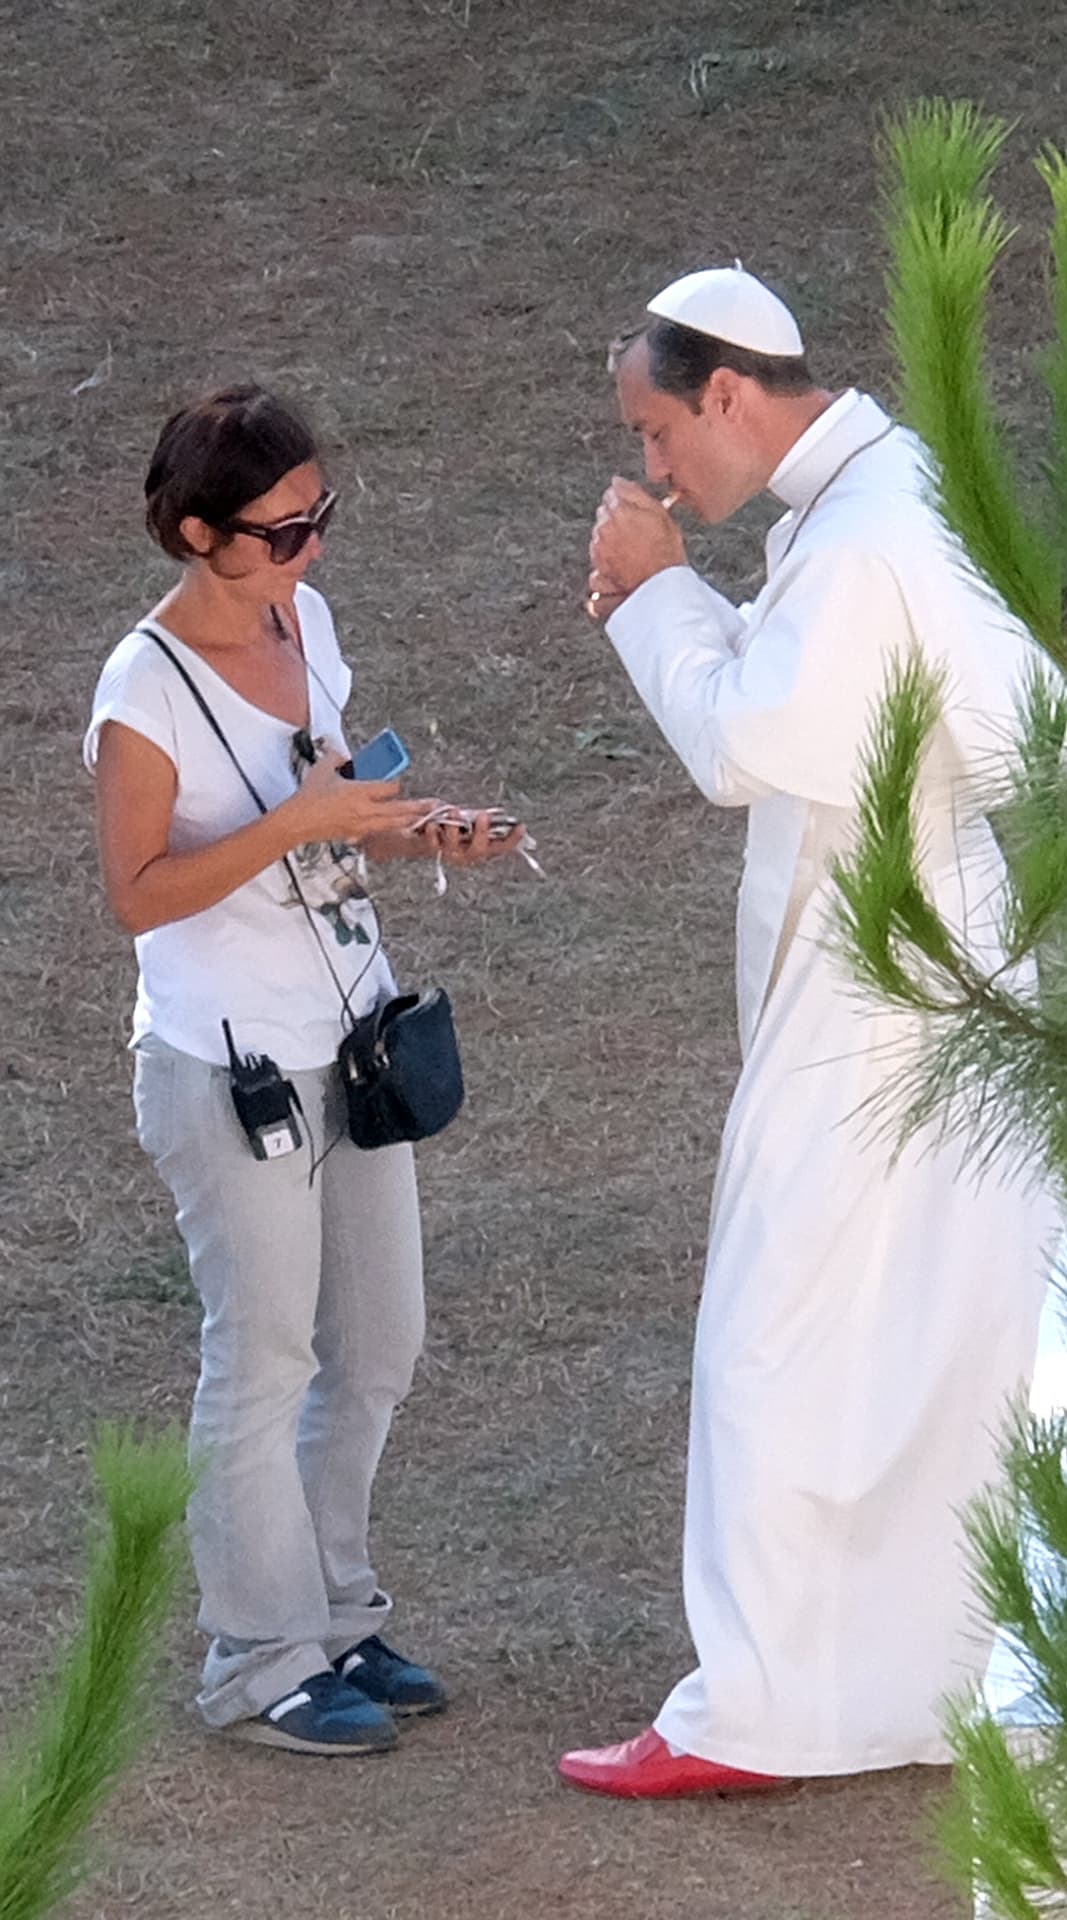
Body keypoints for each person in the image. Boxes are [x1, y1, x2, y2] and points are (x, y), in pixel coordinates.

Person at [558, 268, 1054, 1797]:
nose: (652, 470)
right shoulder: (888, 496)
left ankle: (762, 1710)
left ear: (728, 394)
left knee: (775, 1335)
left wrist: (652, 594)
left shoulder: (865, 543)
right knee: (925, 1333)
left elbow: (748, 744)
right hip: (952, 968)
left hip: (891, 985)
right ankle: (926, 1681)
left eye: (656, 431)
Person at [86, 385, 524, 1755]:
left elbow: (333, 824)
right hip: (232, 1073)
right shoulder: (141, 691)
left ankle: (333, 1616)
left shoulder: (302, 623)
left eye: (320, 519)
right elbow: (140, 893)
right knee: (266, 1358)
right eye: (284, 531)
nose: (311, 550)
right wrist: (299, 822)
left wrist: (414, 832)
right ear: (198, 532)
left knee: (380, 1341)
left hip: (353, 1040)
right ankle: (255, 1661)